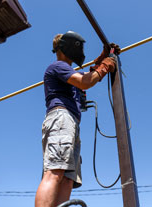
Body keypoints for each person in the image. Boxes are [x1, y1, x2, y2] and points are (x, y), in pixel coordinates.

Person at [35, 31, 120, 207]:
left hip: (70, 122)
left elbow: (87, 77)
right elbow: (85, 81)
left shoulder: (68, 72)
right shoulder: (58, 66)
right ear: (65, 47)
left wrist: (104, 57)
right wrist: (105, 66)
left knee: (67, 178)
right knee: (55, 171)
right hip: (61, 118)